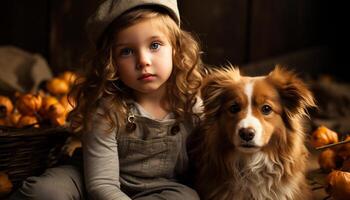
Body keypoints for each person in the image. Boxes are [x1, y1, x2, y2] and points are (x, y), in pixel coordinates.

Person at [9, 0, 203, 199]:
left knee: (187, 197)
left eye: (154, 45)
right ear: (111, 63)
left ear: (176, 49)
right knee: (45, 192)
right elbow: (101, 184)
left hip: (160, 186)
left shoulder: (192, 106)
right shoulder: (108, 109)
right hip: (91, 179)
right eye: (126, 51)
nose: (143, 61)